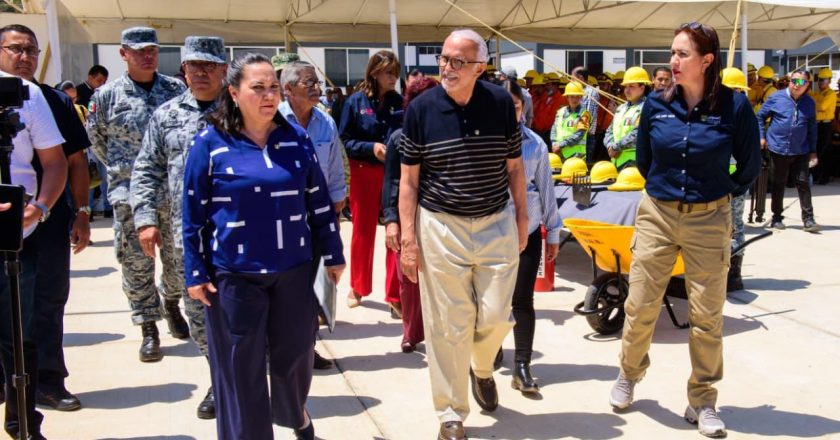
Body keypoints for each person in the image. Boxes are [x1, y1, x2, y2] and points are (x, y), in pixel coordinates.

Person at [609, 22, 761, 439]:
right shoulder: (655, 105)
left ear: (707, 60)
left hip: (709, 220)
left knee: (707, 315)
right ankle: (629, 374)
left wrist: (717, 195)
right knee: (641, 304)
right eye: (672, 53)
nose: (672, 62)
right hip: (657, 215)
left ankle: (703, 399)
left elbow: (749, 166)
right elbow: (644, 160)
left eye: (682, 54)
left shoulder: (735, 107)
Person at [182, 53, 345, 440]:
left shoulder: (296, 138)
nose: (269, 95)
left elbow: (318, 199)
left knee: (296, 354)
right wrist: (195, 270)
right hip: (234, 274)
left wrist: (333, 252)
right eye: (258, 87)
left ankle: (294, 414)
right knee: (241, 368)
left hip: (293, 268)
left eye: (273, 87)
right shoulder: (210, 142)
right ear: (234, 93)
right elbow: (192, 212)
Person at [398, 29, 528, 440]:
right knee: (447, 325)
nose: (447, 67)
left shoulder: (500, 103)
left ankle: (482, 367)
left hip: (495, 221)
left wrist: (523, 217)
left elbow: (514, 167)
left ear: (480, 67)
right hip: (440, 226)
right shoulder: (420, 109)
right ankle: (451, 413)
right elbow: (408, 180)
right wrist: (408, 239)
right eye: (444, 58)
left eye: (458, 61)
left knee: (496, 315)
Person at [130, 35, 228, 420]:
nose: (201, 73)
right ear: (183, 69)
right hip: (185, 236)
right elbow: (146, 168)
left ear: (224, 69)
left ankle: (243, 376)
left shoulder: (243, 111)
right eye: (193, 65)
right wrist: (145, 219)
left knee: (242, 311)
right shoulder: (166, 115)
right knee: (198, 312)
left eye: (209, 65)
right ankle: (219, 379)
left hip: (236, 234)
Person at [0, 23, 92, 413]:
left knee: (48, 301)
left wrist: (82, 212)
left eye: (32, 50)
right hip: (8, 218)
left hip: (48, 218)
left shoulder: (51, 100)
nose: (25, 57)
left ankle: (49, 382)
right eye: (15, 49)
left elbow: (74, 161)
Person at [86, 27, 189, 362]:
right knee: (136, 262)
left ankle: (171, 301)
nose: (147, 56)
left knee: (178, 261)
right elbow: (97, 141)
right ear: (123, 53)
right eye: (139, 50)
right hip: (129, 193)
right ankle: (147, 325)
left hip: (173, 193)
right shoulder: (106, 96)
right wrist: (124, 171)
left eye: (152, 50)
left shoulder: (176, 90)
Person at [0, 69, 67, 440]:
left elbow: (54, 160)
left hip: (16, 234)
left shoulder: (24, 93)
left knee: (18, 333)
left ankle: (22, 424)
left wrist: (39, 208)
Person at [278, 60, 347, 370]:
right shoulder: (274, 119)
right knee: (285, 285)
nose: (317, 88)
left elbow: (334, 164)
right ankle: (278, 350)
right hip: (284, 216)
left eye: (317, 82)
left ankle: (308, 347)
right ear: (288, 89)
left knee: (317, 284)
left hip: (320, 215)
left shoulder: (325, 121)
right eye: (309, 83)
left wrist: (338, 198)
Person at [499, 79, 561, 394]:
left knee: (522, 300)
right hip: (491, 234)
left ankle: (522, 365)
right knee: (491, 300)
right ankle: (490, 351)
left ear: (523, 107)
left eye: (515, 105)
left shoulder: (535, 144)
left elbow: (546, 188)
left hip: (529, 232)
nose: (510, 111)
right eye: (503, 105)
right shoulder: (484, 141)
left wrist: (553, 232)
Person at [338, 50, 402, 312]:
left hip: (393, 173)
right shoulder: (355, 102)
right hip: (363, 172)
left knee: (394, 231)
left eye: (396, 73)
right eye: (388, 72)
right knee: (362, 232)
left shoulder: (401, 102)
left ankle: (395, 295)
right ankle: (358, 286)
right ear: (374, 73)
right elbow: (345, 140)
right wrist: (371, 147)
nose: (394, 78)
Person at [381, 76, 438, 354]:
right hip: (407, 217)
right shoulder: (398, 138)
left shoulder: (448, 134)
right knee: (408, 278)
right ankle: (411, 332)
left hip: (440, 215)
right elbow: (391, 182)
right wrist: (391, 221)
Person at [757, 69, 820, 233]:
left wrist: (813, 151)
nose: (796, 85)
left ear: (807, 85)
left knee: (803, 183)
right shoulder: (776, 98)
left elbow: (812, 128)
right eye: (793, 81)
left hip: (801, 149)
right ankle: (777, 217)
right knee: (779, 183)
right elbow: (760, 117)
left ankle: (808, 219)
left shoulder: (809, 103)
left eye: (800, 82)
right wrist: (761, 136)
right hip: (778, 148)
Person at [720, 66, 753, 292]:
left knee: (734, 229)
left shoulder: (741, 115)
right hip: (719, 182)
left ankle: (733, 275)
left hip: (734, 184)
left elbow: (749, 157)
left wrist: (739, 184)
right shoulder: (720, 113)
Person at [604, 67, 651, 170]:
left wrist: (616, 147)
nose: (627, 90)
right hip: (616, 162)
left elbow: (637, 132)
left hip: (634, 162)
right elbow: (609, 130)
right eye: (626, 86)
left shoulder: (646, 107)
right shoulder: (621, 108)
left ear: (642, 88)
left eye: (631, 86)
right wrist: (610, 145)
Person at [551, 81, 591, 160]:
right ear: (567, 97)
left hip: (576, 155)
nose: (574, 99)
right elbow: (554, 129)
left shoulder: (584, 114)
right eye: (572, 96)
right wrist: (554, 143)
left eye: (577, 97)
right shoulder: (560, 111)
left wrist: (560, 145)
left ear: (581, 97)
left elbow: (579, 135)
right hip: (559, 153)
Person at [571, 66, 600, 163]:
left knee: (584, 165)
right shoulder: (575, 92)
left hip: (586, 136)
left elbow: (588, 116)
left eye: (573, 78)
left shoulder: (590, 92)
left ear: (581, 78)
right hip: (575, 134)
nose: (571, 81)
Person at [812, 68, 836, 184]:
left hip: (826, 125)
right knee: (817, 149)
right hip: (818, 124)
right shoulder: (818, 93)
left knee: (825, 151)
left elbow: (822, 107)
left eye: (824, 80)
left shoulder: (831, 94)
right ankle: (817, 175)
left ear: (829, 81)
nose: (821, 82)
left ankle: (825, 176)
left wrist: (813, 103)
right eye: (819, 80)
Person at [531, 74, 563, 146]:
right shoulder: (544, 98)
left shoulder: (561, 100)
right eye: (545, 85)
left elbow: (553, 120)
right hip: (540, 133)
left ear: (555, 85)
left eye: (548, 84)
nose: (546, 87)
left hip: (550, 134)